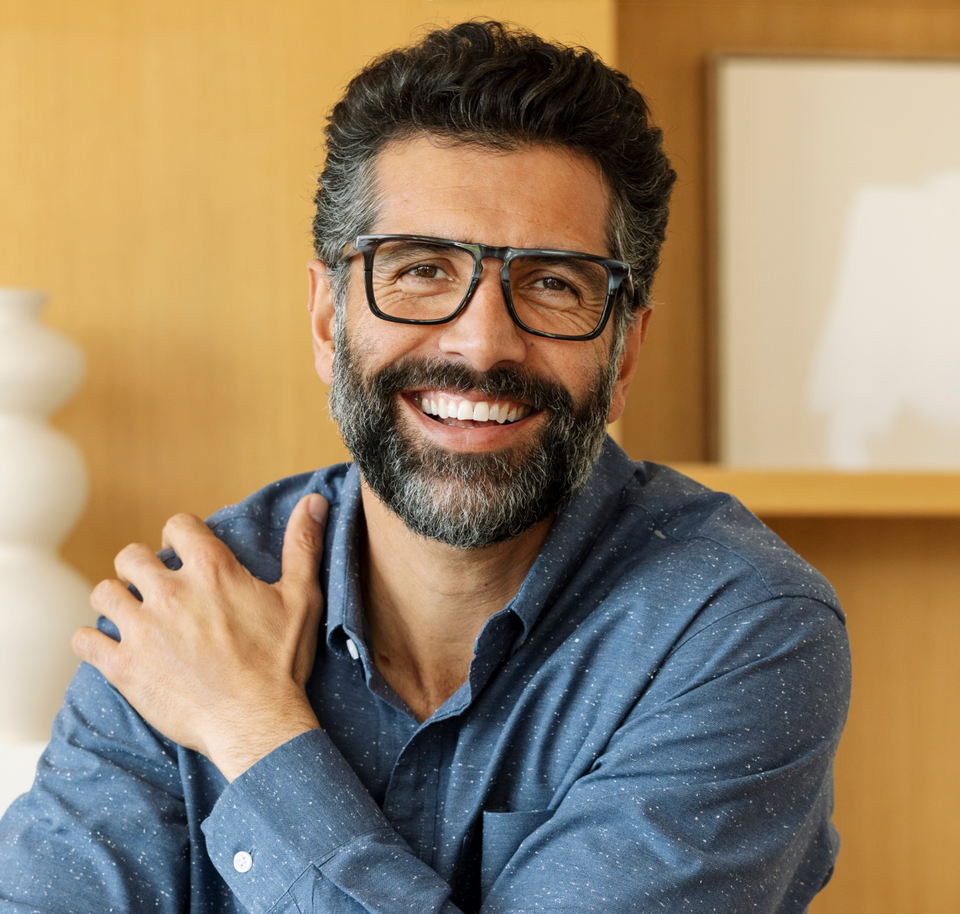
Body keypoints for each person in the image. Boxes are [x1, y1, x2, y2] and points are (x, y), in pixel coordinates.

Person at [0, 20, 850, 913]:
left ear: (624, 353)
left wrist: (252, 731)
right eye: (420, 270)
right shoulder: (192, 616)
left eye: (553, 283)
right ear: (330, 321)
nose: (483, 344)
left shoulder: (734, 629)